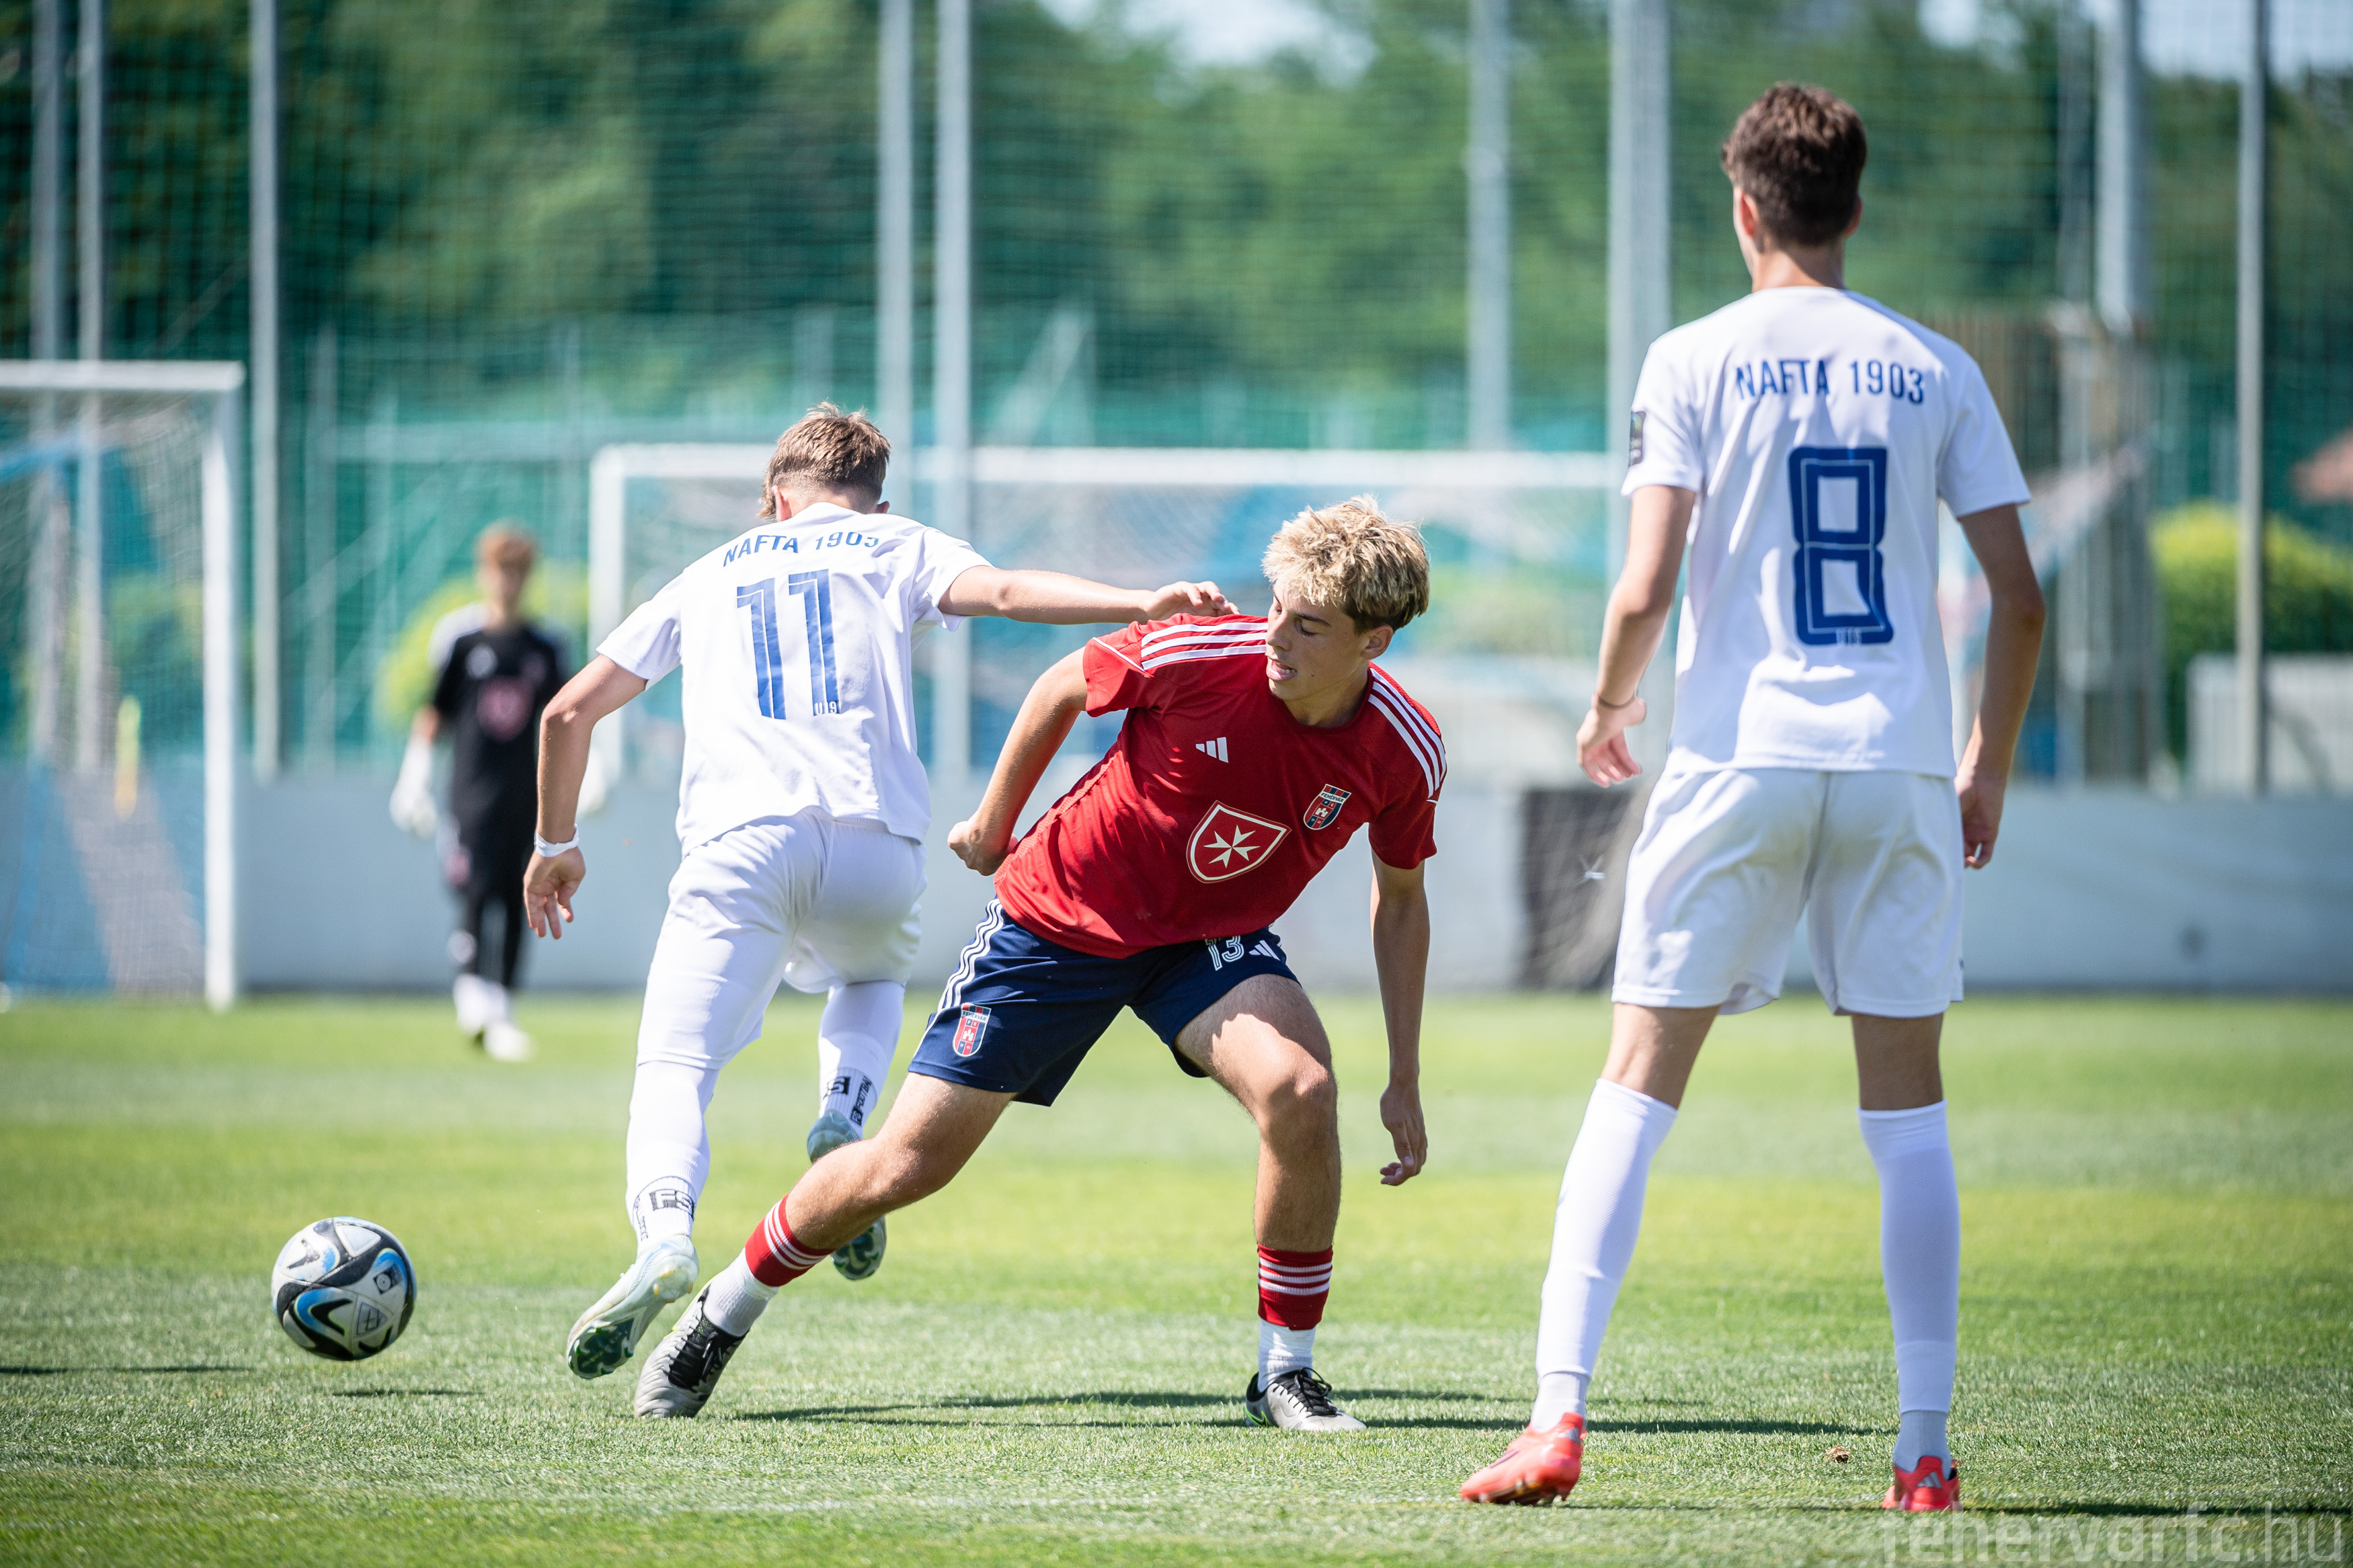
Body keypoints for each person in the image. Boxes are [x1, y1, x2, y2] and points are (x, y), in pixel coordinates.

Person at [1458, 84, 2044, 1512]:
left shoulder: (1694, 357)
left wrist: (1609, 705)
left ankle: (1555, 1418)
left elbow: (1645, 585)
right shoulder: (1937, 367)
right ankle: (1921, 1448)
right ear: (1855, 207)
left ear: (1742, 209)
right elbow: (2021, 599)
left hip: (1739, 758)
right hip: (1896, 761)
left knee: (1634, 1085)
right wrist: (1983, 763)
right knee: (1907, 1117)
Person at [622, 498, 1443, 1432]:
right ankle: (723, 1310)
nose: (1276, 637)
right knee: (907, 1162)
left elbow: (1401, 898)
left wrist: (1404, 1075)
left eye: (1309, 626)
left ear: (1374, 642)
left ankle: (1285, 1372)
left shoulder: (1403, 749)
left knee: (1301, 1090)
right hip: (1060, 919)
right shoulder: (1200, 652)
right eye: (1278, 608)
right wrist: (993, 823)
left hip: (1204, 940)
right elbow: (1061, 684)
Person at [523, 403, 1236, 1385]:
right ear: (877, 501)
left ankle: (664, 1234)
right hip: (878, 841)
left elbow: (568, 712)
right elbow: (1007, 591)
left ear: (773, 498)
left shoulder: (708, 571)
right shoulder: (895, 543)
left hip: (741, 841)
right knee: (866, 978)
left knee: (678, 1061)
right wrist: (1140, 601)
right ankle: (842, 1123)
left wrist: (555, 844)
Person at [391, 523, 571, 1063]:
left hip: (527, 800)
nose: (507, 581)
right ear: (484, 573)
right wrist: (414, 776)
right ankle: (474, 997)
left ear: (527, 577)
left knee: (521, 897)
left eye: (517, 571)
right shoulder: (461, 641)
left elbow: (566, 717)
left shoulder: (544, 647)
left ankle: (503, 1010)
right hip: (470, 796)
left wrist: (588, 777)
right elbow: (435, 713)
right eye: (499, 570)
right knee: (473, 892)